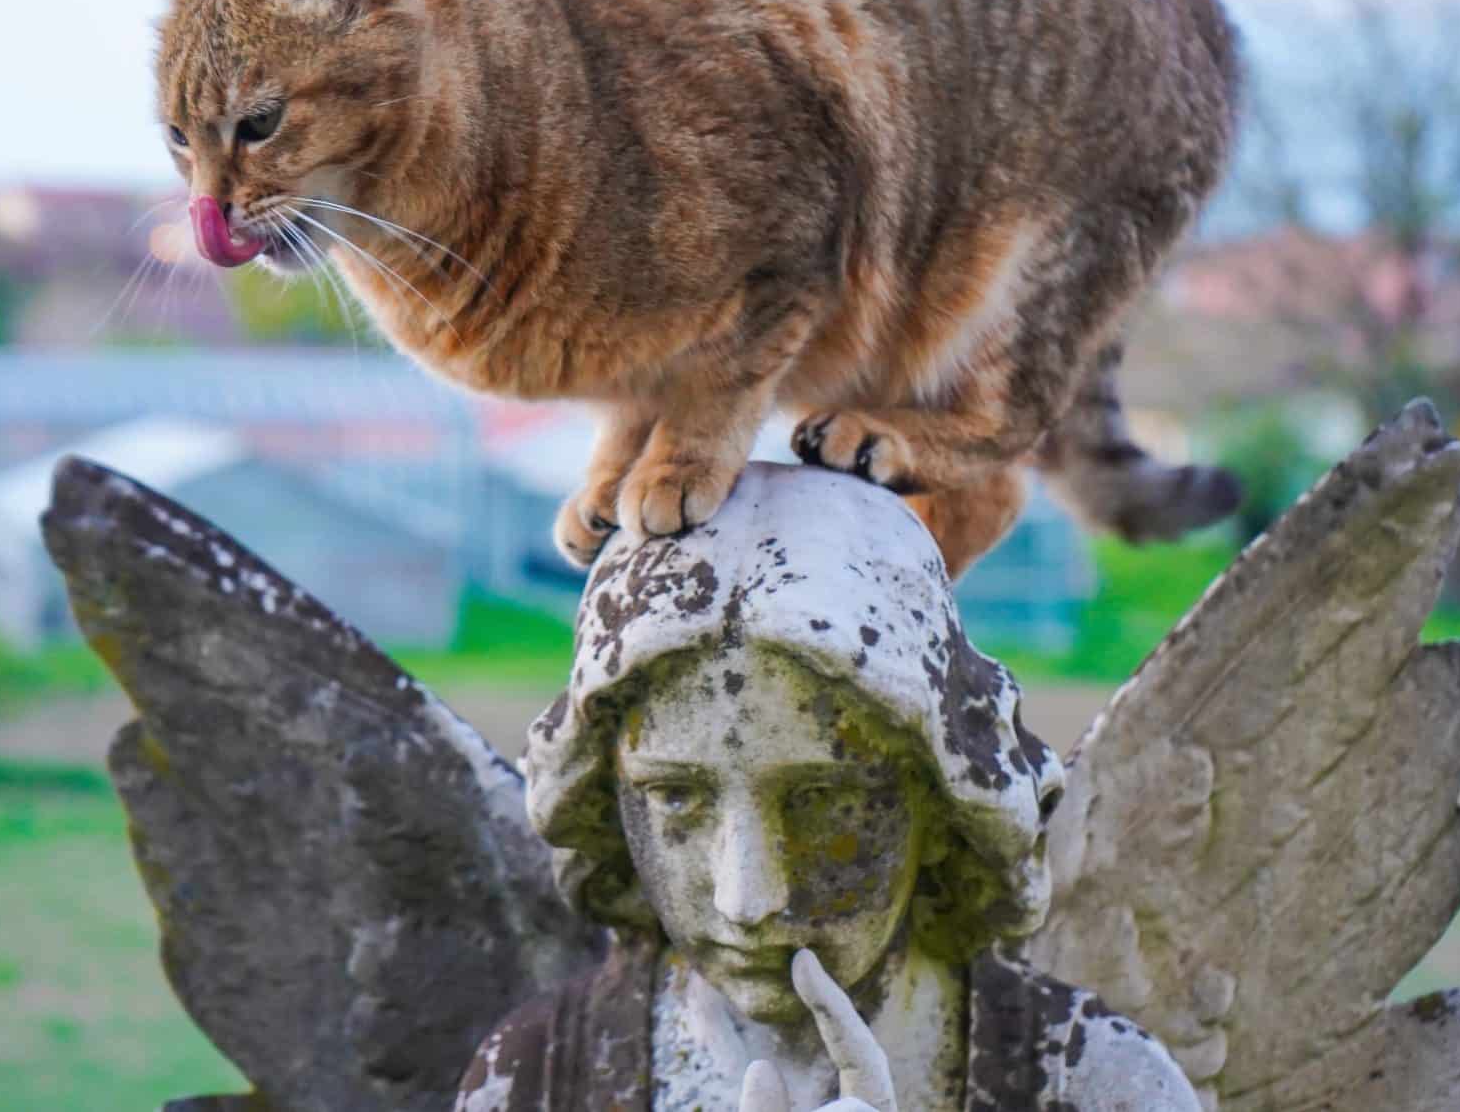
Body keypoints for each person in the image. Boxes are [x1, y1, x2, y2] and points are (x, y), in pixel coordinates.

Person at [456, 464, 1200, 1111]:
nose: (745, 897)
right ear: (607, 801)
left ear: (942, 798)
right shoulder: (530, 1082)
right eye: (677, 797)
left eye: (824, 800)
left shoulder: (1094, 1085)